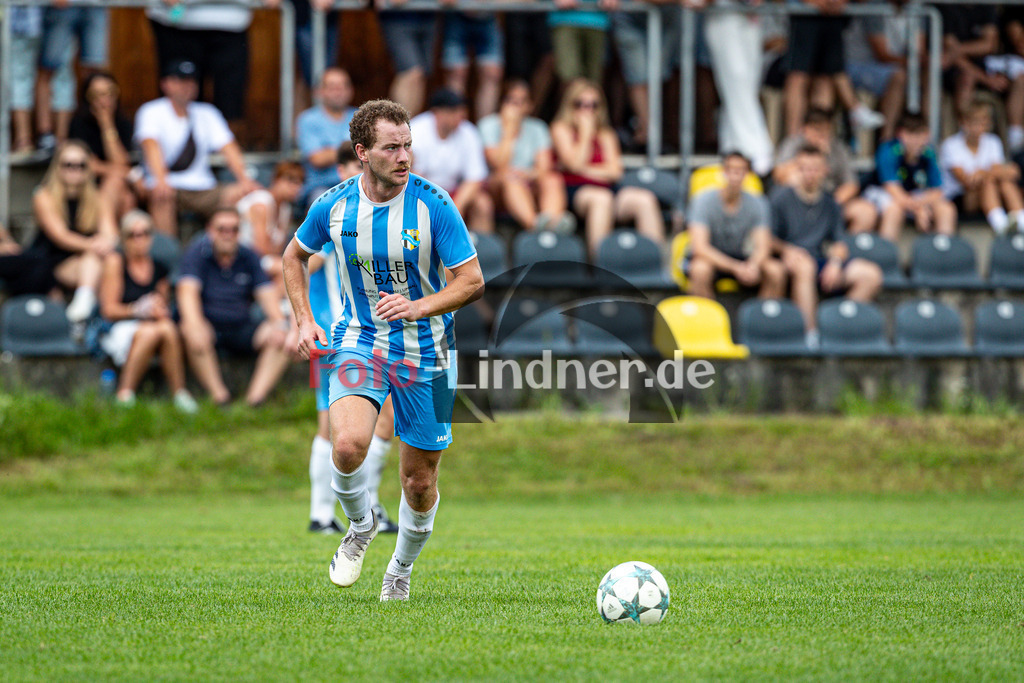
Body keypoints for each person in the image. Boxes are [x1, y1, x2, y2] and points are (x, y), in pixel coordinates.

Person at [281, 99, 484, 601]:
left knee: (419, 481)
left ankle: (400, 570)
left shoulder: (434, 205)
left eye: (408, 145)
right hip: (359, 340)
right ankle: (360, 525)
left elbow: (472, 282)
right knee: (346, 445)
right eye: (392, 147)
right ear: (362, 152)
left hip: (427, 351)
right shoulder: (333, 204)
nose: (404, 156)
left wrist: (419, 306)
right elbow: (294, 255)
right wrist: (305, 320)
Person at [305, 151, 400, 534]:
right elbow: (303, 260)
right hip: (346, 335)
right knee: (372, 421)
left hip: (349, 335)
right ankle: (352, 508)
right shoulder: (338, 213)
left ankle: (326, 513)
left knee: (336, 423)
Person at [177, 207, 293, 407]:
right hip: (209, 326)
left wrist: (279, 323)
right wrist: (195, 324)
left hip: (242, 326)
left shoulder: (249, 256)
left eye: (234, 230)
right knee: (191, 330)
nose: (228, 235)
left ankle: (255, 401)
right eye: (222, 229)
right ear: (210, 230)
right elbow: (187, 293)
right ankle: (220, 399)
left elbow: (266, 295)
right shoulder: (197, 254)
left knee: (282, 334)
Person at [134, 60, 260, 237]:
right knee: (161, 195)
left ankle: (227, 255)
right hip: (169, 185)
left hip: (203, 186)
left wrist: (244, 179)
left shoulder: (208, 113)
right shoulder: (151, 111)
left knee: (239, 194)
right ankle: (169, 258)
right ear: (165, 84)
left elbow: (229, 148)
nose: (187, 86)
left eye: (191, 81)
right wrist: (161, 179)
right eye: (180, 80)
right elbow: (151, 145)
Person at [772, 145, 883, 346]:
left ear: (825, 170)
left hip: (820, 260)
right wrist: (786, 249)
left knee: (871, 274)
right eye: (804, 168)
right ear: (796, 169)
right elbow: (767, 238)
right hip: (791, 260)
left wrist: (835, 262)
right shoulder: (780, 198)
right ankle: (810, 336)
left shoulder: (830, 202)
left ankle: (838, 325)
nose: (810, 174)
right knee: (805, 266)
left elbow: (840, 242)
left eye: (815, 168)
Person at [550, 79, 665, 255]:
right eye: (580, 104)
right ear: (569, 105)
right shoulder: (560, 129)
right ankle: (601, 263)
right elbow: (574, 164)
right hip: (574, 191)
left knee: (645, 199)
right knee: (601, 199)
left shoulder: (606, 134)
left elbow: (615, 172)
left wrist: (585, 169)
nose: (587, 111)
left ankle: (657, 262)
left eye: (593, 105)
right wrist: (586, 134)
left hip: (608, 189)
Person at [98, 211, 198, 413]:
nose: (139, 239)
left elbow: (163, 306)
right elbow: (108, 309)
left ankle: (179, 393)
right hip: (119, 326)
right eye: (133, 234)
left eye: (144, 233)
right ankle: (125, 393)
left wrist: (157, 310)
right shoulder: (116, 262)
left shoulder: (159, 268)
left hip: (151, 327)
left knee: (167, 327)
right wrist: (136, 310)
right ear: (123, 239)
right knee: (152, 331)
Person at [34, 141, 119, 323]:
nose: (75, 170)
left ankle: (85, 307)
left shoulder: (98, 197)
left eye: (81, 165)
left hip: (89, 261)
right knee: (97, 258)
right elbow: (61, 237)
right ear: (57, 167)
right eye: (68, 165)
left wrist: (103, 244)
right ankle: (88, 314)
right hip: (53, 260)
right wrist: (94, 244)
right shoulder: (44, 195)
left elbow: (111, 233)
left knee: (109, 259)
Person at [685, 152, 786, 301]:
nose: (735, 176)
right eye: (731, 170)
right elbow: (700, 248)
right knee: (700, 269)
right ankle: (708, 321)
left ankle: (762, 319)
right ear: (723, 172)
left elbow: (763, 245)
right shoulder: (703, 200)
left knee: (776, 271)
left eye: (740, 171)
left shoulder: (758, 203)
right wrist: (735, 267)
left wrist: (752, 266)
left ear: (747, 174)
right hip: (713, 257)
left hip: (741, 256)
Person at [478, 80, 573, 234]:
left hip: (527, 180)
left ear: (530, 106)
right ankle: (535, 226)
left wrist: (526, 174)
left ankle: (552, 222)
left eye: (521, 101)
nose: (515, 106)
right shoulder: (488, 125)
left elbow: (544, 167)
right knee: (510, 179)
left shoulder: (538, 127)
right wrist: (509, 131)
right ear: (502, 103)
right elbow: (497, 164)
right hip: (496, 185)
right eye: (510, 100)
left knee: (552, 179)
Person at [783, 0, 884, 138]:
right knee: (798, 75)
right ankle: (793, 137)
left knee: (826, 75)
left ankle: (818, 136)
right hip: (805, 12)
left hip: (833, 15)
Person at [774, 108, 878, 234]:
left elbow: (851, 185)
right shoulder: (793, 144)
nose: (822, 135)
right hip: (797, 203)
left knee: (866, 211)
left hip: (829, 200)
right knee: (793, 177)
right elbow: (779, 175)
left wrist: (830, 204)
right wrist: (807, 160)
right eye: (817, 129)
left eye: (826, 130)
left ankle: (844, 247)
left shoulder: (838, 148)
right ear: (805, 128)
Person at [703, 0, 774, 176]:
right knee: (737, 82)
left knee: (747, 88)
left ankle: (732, 149)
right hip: (725, 16)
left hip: (751, 17)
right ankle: (757, 149)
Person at [410, 88, 494, 235]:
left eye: (462, 111)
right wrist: (438, 204)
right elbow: (413, 175)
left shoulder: (469, 131)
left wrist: (455, 209)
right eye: (453, 111)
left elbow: (475, 178)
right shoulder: (416, 129)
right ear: (437, 113)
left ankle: (478, 252)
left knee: (483, 204)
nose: (460, 116)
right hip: (423, 191)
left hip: (455, 193)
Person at [865, 113, 957, 242]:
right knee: (894, 210)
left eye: (921, 134)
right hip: (883, 193)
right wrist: (918, 209)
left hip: (914, 196)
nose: (917, 140)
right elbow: (892, 189)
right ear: (901, 134)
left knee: (946, 209)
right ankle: (886, 255)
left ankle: (944, 255)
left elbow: (937, 190)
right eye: (912, 134)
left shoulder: (928, 152)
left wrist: (920, 204)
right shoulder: (888, 149)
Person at [940, 101, 1024, 235]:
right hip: (959, 198)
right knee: (989, 182)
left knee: (1004, 182)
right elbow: (966, 181)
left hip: (987, 193)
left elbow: (997, 173)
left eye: (983, 123)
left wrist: (981, 173)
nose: (979, 127)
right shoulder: (950, 145)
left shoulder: (993, 141)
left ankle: (1020, 222)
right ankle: (1000, 225)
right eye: (974, 123)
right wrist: (999, 172)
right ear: (963, 123)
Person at [36, 2, 110, 153]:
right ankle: (46, 134)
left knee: (94, 73)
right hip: (62, 8)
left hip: (95, 5)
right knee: (49, 68)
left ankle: (80, 132)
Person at [69, 72, 134, 214]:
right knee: (123, 191)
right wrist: (125, 172)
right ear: (87, 99)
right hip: (87, 183)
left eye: (110, 93)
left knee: (125, 195)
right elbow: (88, 165)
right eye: (97, 94)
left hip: (117, 184)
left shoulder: (123, 123)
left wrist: (107, 125)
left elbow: (120, 161)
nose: (105, 100)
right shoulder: (79, 124)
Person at [237, 161, 305, 289]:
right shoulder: (261, 204)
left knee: (293, 269)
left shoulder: (286, 209)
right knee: (290, 269)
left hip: (265, 260)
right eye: (291, 181)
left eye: (300, 182)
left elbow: (278, 249)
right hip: (243, 258)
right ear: (276, 180)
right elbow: (260, 249)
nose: (297, 187)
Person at [297, 67, 357, 207]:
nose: (338, 92)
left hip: (359, 184)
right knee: (322, 205)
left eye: (343, 86)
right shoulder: (308, 119)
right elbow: (317, 159)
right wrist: (356, 148)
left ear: (350, 90)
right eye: (332, 87)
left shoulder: (361, 116)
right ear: (319, 91)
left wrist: (331, 152)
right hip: (322, 188)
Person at [441, 11, 504, 120]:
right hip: (457, 13)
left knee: (492, 73)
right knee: (456, 73)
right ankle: (454, 125)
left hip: (487, 14)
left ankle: (485, 129)